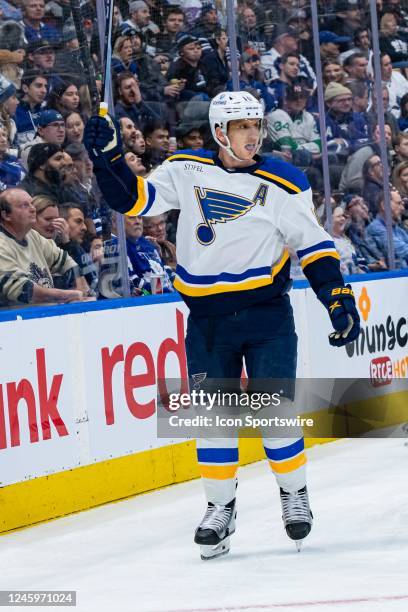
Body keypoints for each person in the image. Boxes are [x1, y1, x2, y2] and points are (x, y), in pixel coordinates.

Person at [84, 90, 360, 560]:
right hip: (208, 320)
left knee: (273, 414)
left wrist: (338, 298)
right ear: (219, 132)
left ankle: (293, 493)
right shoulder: (185, 168)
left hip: (267, 315)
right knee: (213, 420)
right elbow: (133, 201)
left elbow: (312, 246)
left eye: (256, 125)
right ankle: (220, 508)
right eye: (242, 127)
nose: (253, 134)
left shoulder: (286, 181)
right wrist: (108, 157)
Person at [0, 188, 89, 306]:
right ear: (6, 215)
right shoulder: (2, 244)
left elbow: (65, 261)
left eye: (32, 204)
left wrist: (80, 284)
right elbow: (25, 291)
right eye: (24, 205)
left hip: (47, 317)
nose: (32, 209)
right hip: (19, 321)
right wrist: (68, 295)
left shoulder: (32, 235)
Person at [367, 189, 408, 267]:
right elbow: (401, 250)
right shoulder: (375, 228)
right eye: (398, 203)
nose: (402, 208)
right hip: (389, 277)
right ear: (384, 205)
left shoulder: (398, 229)